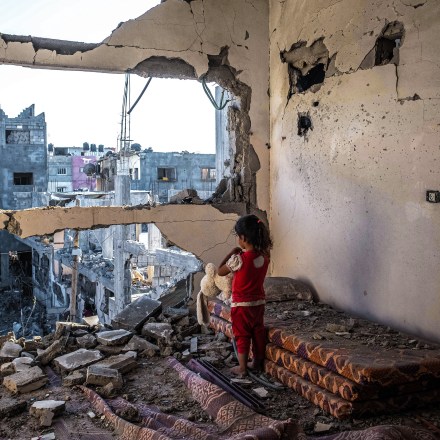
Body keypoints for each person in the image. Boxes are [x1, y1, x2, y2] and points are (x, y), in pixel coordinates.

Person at [218, 214, 273, 377]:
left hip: (241, 305)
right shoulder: (264, 257)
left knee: (242, 334)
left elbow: (221, 271)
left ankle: (242, 367)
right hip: (258, 303)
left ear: (243, 238)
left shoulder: (238, 259)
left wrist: (231, 253)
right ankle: (256, 362)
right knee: (257, 332)